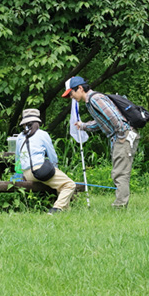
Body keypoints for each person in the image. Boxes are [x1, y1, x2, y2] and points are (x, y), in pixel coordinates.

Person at [62, 76, 139, 208]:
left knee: (120, 173)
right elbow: (101, 122)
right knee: (118, 172)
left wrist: (121, 135)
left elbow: (114, 118)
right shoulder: (90, 102)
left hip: (123, 136)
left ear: (80, 88)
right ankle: (120, 204)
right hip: (121, 136)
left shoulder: (95, 99)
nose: (71, 97)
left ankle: (119, 206)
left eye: (71, 93)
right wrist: (84, 125)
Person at [15, 108, 76, 215]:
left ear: (24, 124)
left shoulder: (20, 137)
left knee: (60, 184)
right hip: (40, 170)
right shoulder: (42, 134)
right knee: (69, 184)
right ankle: (56, 209)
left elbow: (17, 158)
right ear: (38, 122)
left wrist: (20, 174)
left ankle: (67, 210)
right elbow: (52, 155)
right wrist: (55, 168)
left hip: (26, 174)